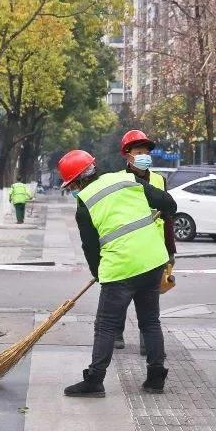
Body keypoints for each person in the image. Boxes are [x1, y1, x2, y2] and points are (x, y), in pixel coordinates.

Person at [57, 149, 177, 397]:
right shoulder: (126, 179)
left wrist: (99, 273)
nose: (72, 190)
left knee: (106, 325)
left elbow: (90, 247)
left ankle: (95, 380)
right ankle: (156, 378)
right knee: (150, 321)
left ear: (79, 180)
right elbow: (169, 204)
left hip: (120, 268)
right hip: (153, 260)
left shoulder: (84, 203)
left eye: (71, 185)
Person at [113, 130, 177, 351]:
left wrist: (171, 251)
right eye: (138, 152)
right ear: (127, 155)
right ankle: (116, 332)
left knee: (150, 301)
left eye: (146, 152)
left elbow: (168, 216)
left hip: (154, 250)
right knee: (121, 296)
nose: (144, 156)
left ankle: (146, 341)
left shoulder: (159, 179)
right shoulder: (119, 181)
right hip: (127, 248)